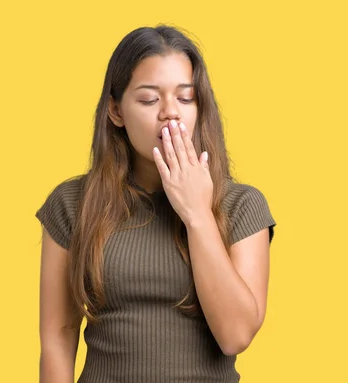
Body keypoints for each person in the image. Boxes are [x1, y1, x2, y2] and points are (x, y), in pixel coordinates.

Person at [35, 25, 277, 383]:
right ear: (116, 112)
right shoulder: (72, 204)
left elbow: (236, 335)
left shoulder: (241, 205)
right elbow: (59, 334)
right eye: (149, 100)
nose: (170, 113)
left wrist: (197, 213)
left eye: (185, 98)